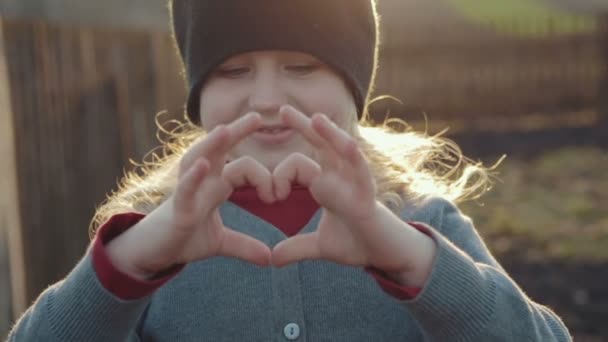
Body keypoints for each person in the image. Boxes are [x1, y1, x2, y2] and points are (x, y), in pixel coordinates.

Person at [8, 0, 572, 341]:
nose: (268, 98)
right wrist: (131, 261)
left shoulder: (418, 222)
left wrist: (409, 258)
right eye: (232, 71)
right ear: (198, 95)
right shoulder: (154, 242)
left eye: (302, 67)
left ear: (356, 92)